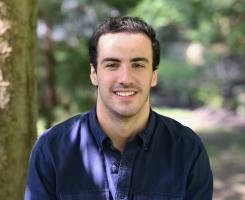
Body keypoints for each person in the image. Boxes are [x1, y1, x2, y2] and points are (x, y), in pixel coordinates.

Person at [25, 16, 213, 200]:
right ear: (94, 74)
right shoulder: (51, 149)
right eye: (112, 65)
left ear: (153, 75)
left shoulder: (187, 150)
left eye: (138, 65)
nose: (125, 78)